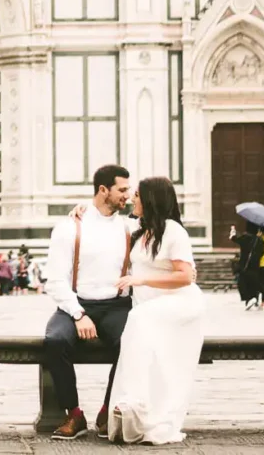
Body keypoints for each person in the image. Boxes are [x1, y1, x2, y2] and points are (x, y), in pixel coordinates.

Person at [104, 177, 206, 444]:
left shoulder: (174, 232)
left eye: (137, 195)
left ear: (150, 200)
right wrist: (79, 213)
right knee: (145, 341)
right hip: (151, 307)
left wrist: (141, 280)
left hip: (179, 304)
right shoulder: (140, 229)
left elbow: (186, 277)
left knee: (137, 319)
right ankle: (137, 407)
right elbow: (104, 223)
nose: (132, 200)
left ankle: (135, 403)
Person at [42, 164, 138, 441]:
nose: (128, 196)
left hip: (117, 306)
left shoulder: (129, 226)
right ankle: (73, 414)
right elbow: (56, 280)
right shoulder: (69, 227)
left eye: (129, 190)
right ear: (103, 190)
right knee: (55, 341)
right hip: (76, 303)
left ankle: (108, 410)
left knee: (130, 343)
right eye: (122, 190)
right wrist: (78, 313)